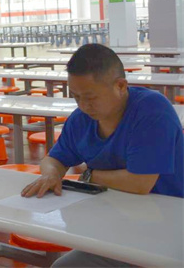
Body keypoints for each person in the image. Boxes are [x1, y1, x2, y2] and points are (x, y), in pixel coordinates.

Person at [21, 44, 184, 268]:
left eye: (90, 97)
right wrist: (51, 174)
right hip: (118, 226)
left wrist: (90, 175)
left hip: (171, 227)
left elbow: (140, 183)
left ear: (121, 86)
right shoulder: (81, 119)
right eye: (75, 96)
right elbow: (54, 159)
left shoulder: (151, 110)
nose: (83, 105)